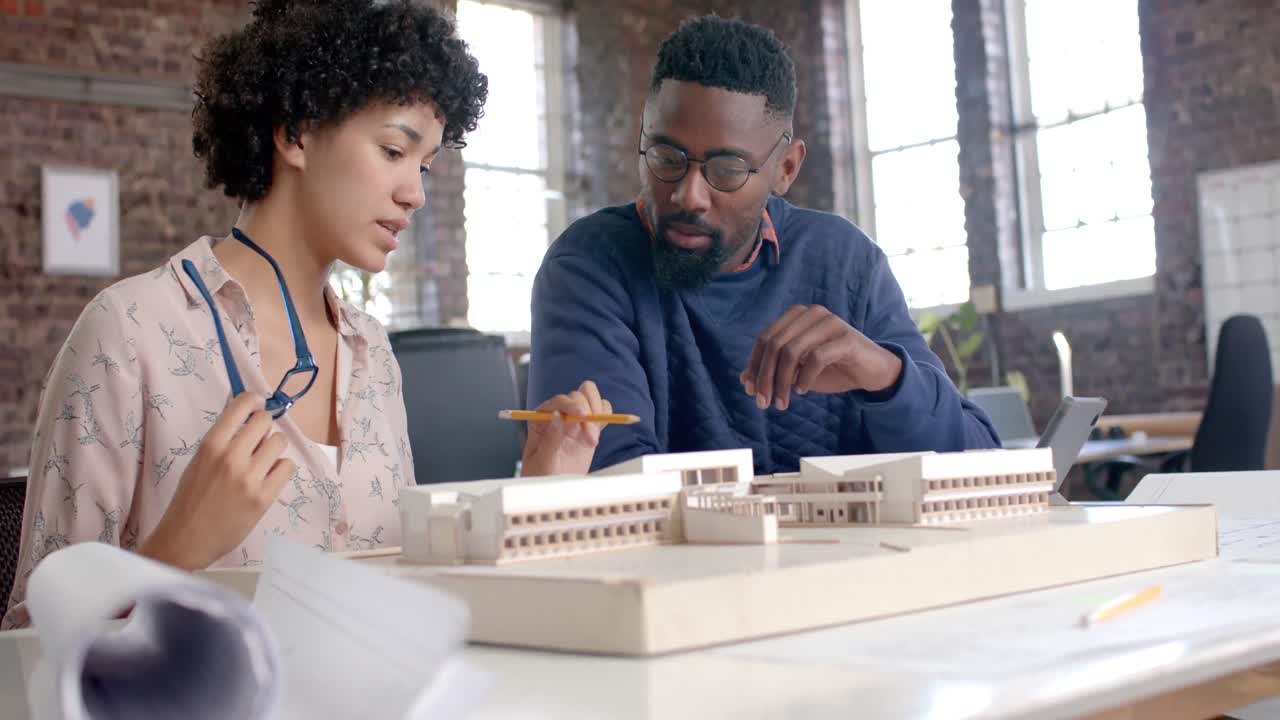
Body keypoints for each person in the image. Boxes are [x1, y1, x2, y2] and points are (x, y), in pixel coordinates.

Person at [3, 0, 600, 629]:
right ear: (296, 133)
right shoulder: (127, 334)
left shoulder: (373, 354)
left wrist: (538, 490)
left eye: (424, 166)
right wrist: (179, 551)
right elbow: (28, 658)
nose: (416, 193)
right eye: (394, 151)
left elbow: (408, 599)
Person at [527, 15, 1000, 478]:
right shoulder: (591, 265)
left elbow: (983, 469)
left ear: (786, 170)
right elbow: (615, 481)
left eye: (727, 169)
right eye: (666, 157)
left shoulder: (845, 262)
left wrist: (883, 377)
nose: (688, 195)